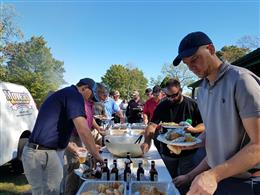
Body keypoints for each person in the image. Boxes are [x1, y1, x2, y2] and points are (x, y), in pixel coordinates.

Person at [172, 31, 260, 195]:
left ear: (211, 49)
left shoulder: (242, 80)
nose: (191, 67)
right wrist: (192, 142)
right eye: (187, 63)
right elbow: (215, 136)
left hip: (247, 183)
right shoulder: (202, 89)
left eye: (195, 59)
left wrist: (214, 175)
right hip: (219, 178)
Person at [21, 78, 103, 195]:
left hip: (45, 152)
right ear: (84, 88)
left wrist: (71, 146)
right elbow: (83, 129)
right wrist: (96, 155)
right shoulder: (74, 96)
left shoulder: (66, 94)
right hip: (41, 154)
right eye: (90, 96)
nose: (90, 100)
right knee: (47, 192)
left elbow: (52, 129)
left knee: (54, 190)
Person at [141, 78, 205, 193]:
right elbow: (152, 125)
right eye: (168, 95)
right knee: (168, 179)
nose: (171, 99)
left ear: (180, 90)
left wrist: (194, 129)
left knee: (185, 181)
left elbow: (203, 124)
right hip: (168, 150)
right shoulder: (163, 105)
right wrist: (147, 141)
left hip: (188, 150)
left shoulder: (192, 104)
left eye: (174, 95)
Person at [64, 81, 104, 195]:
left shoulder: (89, 102)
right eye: (94, 95)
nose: (95, 99)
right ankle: (70, 192)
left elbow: (90, 119)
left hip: (82, 136)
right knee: (74, 168)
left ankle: (81, 190)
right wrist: (92, 149)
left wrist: (98, 128)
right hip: (74, 137)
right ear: (85, 89)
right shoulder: (78, 100)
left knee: (83, 167)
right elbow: (82, 128)